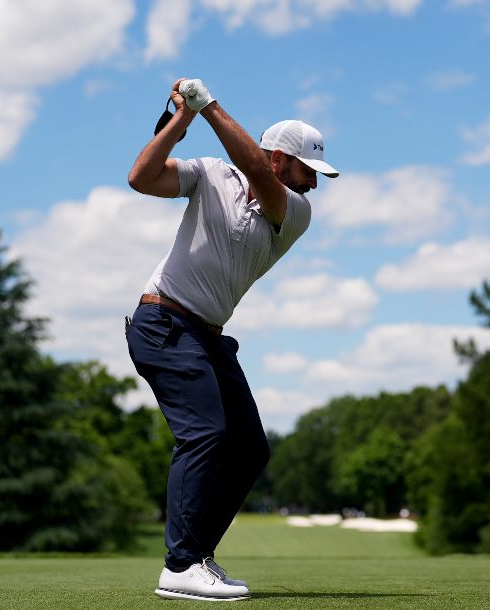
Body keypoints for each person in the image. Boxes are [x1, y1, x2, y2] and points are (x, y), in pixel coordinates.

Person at [125, 77, 338, 601]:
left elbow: (261, 184)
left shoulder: (294, 209)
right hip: (164, 324)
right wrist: (183, 118)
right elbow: (141, 178)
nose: (313, 183)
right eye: (307, 170)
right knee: (205, 433)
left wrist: (210, 105)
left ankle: (196, 556)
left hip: (207, 336)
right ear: (278, 158)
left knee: (248, 449)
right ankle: (179, 566)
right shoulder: (210, 174)